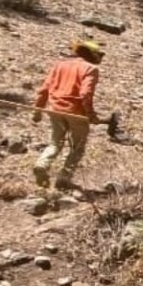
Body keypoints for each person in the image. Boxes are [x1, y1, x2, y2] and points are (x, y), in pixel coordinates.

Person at [32, 38, 120, 189]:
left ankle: (42, 164)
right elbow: (85, 94)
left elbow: (44, 89)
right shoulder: (90, 69)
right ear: (92, 54)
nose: (100, 58)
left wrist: (37, 110)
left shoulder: (60, 65)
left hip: (54, 109)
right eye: (100, 55)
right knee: (77, 147)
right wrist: (91, 115)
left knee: (55, 142)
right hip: (76, 113)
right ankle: (64, 178)